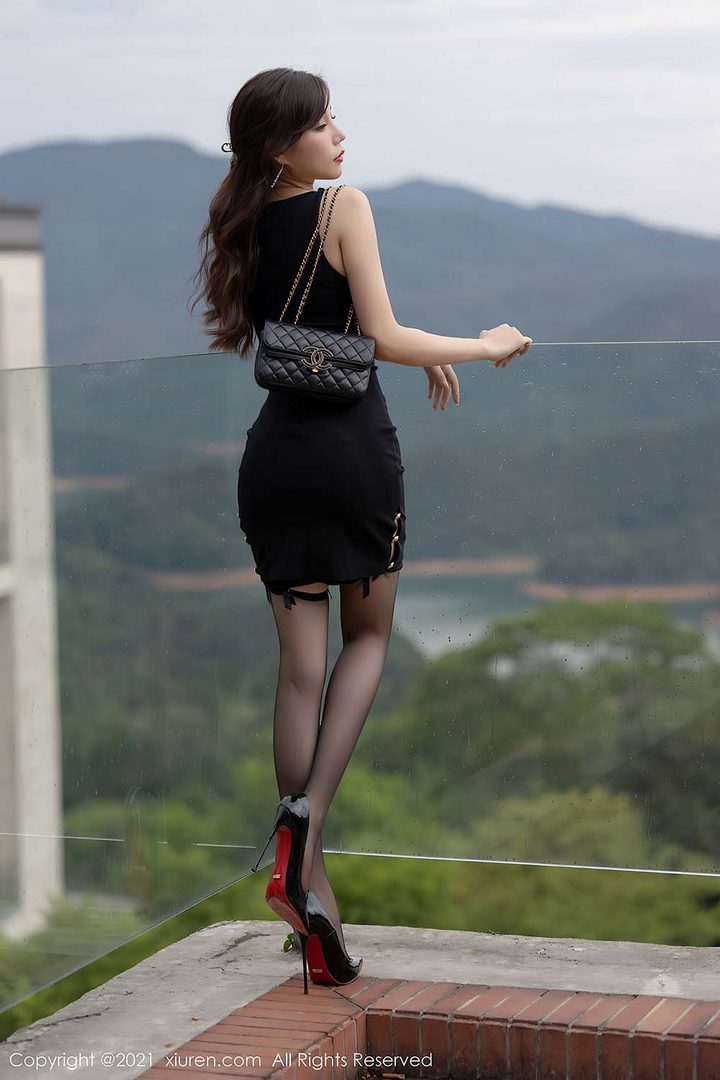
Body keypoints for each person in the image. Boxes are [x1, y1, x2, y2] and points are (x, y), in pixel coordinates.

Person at [190, 67, 532, 990]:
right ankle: (304, 847)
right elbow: (377, 335)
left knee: (298, 671)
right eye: (323, 123)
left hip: (275, 462)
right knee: (369, 638)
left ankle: (313, 905)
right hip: (349, 459)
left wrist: (423, 352)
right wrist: (484, 345)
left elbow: (322, 329)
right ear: (281, 144)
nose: (340, 135)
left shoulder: (243, 217)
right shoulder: (343, 205)